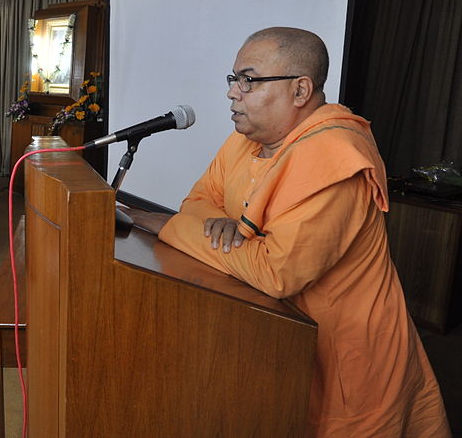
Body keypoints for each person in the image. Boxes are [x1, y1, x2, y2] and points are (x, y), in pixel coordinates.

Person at [129, 27, 450, 437]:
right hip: (277, 342)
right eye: (233, 80)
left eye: (248, 79)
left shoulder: (336, 155)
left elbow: (276, 272)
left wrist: (174, 228)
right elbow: (197, 202)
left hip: (348, 352)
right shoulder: (245, 141)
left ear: (300, 90)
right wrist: (225, 231)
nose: (233, 93)